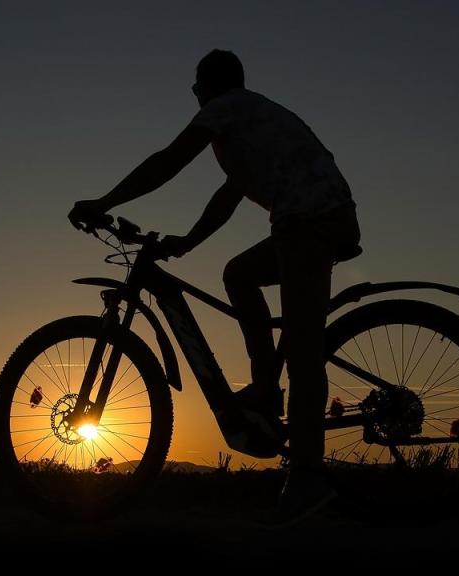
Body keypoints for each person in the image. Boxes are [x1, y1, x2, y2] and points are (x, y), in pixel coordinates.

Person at [69, 49, 360, 525]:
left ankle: (308, 478)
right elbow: (227, 198)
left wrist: (104, 201)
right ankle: (266, 389)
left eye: (196, 92)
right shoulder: (250, 119)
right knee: (238, 274)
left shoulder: (224, 109)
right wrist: (187, 242)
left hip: (311, 224)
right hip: (315, 219)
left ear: (204, 89)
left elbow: (168, 161)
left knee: (305, 354)